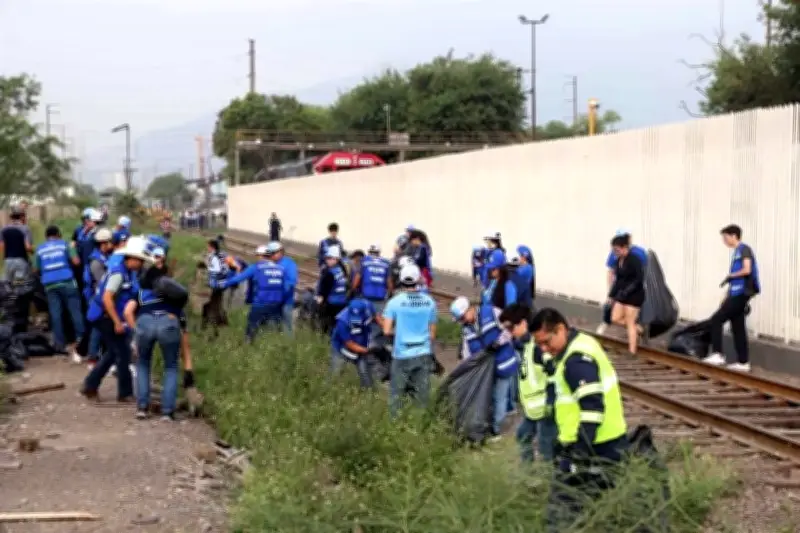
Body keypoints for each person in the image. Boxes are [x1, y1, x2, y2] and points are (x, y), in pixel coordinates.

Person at [528, 308, 628, 531]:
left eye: (546, 342)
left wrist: (579, 455)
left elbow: (592, 409)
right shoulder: (581, 342)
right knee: (599, 511)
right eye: (539, 345)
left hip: (595, 447)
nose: (545, 349)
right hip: (607, 443)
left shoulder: (576, 362)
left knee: (561, 514)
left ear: (561, 329)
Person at [82, 236, 151, 401]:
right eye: (140, 260)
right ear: (131, 258)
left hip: (108, 315)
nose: (141, 264)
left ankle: (90, 385)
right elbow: (107, 298)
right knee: (123, 353)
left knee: (114, 352)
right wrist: (117, 322)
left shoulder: (128, 273)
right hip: (104, 316)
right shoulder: (119, 274)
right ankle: (125, 393)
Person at [124, 251, 187, 420]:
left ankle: (142, 408)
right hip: (168, 323)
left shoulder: (141, 293)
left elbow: (127, 312)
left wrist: (135, 331)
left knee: (143, 364)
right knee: (171, 367)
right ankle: (167, 411)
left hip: (144, 323)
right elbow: (182, 322)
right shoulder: (173, 295)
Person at [449, 296, 519, 440]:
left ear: (470, 309)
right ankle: (493, 421)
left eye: (463, 318)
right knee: (491, 396)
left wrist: (498, 342)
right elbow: (467, 351)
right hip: (486, 370)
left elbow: (511, 328)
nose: (463, 322)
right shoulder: (466, 329)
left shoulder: (492, 312)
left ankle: (496, 430)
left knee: (500, 397)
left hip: (504, 362)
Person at [499, 304, 556, 463]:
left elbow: (554, 373)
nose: (510, 334)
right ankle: (529, 475)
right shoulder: (524, 346)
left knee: (546, 448)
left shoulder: (537, 347)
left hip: (545, 408)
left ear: (523, 323)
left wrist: (551, 403)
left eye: (511, 328)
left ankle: (549, 481)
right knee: (523, 436)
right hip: (533, 409)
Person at [383, 264, 438, 417]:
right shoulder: (429, 302)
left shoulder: (394, 302)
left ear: (401, 279)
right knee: (422, 397)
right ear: (418, 280)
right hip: (423, 352)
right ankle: (420, 425)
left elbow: (386, 330)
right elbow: (432, 334)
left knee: (396, 395)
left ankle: (395, 425)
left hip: (401, 353)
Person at [704, 224, 761, 372]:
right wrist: (727, 294)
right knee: (738, 327)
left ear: (734, 236)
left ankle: (718, 354)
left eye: (725, 237)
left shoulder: (744, 249)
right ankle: (743, 362)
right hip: (735, 293)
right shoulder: (737, 252)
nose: (724, 240)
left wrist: (731, 275)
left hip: (741, 294)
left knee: (716, 320)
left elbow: (747, 269)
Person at [217, 244, 290, 341]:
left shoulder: (256, 267)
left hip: (260, 303)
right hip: (277, 305)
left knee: (252, 330)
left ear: (260, 255)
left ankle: (248, 345)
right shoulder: (281, 269)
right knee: (274, 332)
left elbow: (238, 278)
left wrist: (220, 284)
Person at [34, 225, 84, 360]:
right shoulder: (65, 245)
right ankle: (81, 340)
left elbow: (36, 269)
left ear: (46, 236)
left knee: (56, 314)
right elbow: (76, 261)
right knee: (75, 311)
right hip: (67, 282)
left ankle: (59, 345)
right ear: (58, 234)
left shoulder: (40, 249)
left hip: (50, 285)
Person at [596, 228, 648, 335]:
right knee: (614, 315)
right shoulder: (615, 253)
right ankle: (635, 329)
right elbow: (611, 272)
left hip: (633, 290)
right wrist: (611, 292)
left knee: (630, 317)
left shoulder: (638, 253)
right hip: (620, 288)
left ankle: (634, 334)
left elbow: (641, 274)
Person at [607, 233, 646, 354]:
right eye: (614, 250)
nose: (615, 252)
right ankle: (638, 329)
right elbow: (618, 280)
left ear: (625, 248)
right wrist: (611, 295)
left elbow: (639, 279)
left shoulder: (634, 260)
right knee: (614, 318)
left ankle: (632, 351)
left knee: (629, 322)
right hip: (621, 295)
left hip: (634, 295)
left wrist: (627, 291)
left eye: (617, 250)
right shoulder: (619, 260)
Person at [81, 228, 115, 368]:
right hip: (96, 298)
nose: (111, 245)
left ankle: (100, 355)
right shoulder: (96, 262)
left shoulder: (103, 257)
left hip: (100, 297)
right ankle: (92, 357)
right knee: (97, 329)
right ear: (103, 244)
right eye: (109, 242)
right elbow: (102, 283)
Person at [330, 297, 379, 389]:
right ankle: (330, 391)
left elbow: (376, 317)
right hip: (341, 349)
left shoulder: (368, 307)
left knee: (365, 374)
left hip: (361, 343)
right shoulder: (342, 322)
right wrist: (368, 350)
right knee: (335, 373)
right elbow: (349, 344)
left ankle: (368, 392)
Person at [316, 247, 350, 334]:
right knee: (337, 324)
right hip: (341, 302)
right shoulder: (341, 269)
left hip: (331, 303)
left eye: (330, 258)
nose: (328, 260)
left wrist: (320, 302)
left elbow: (323, 290)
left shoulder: (328, 272)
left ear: (337, 259)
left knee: (326, 325)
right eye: (327, 258)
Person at [268, 242, 297, 333]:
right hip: (272, 300)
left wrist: (281, 294)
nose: (272, 256)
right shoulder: (268, 264)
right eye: (270, 253)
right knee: (272, 324)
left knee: (287, 325)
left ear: (281, 251)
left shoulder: (289, 264)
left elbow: (291, 281)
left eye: (274, 253)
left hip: (286, 300)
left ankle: (288, 343)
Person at [0, 206, 33, 283]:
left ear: (11, 217)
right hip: (21, 261)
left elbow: (1, 246)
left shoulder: (3, 229)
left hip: (8, 261)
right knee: (22, 285)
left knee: (8, 285)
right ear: (21, 217)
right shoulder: (25, 228)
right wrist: (32, 251)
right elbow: (28, 247)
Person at [360, 244, 392, 316]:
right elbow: (389, 280)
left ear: (369, 251)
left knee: (366, 317)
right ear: (379, 252)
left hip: (366, 294)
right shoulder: (386, 262)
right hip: (380, 296)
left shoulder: (364, 261)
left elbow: (358, 277)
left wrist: (353, 289)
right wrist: (390, 293)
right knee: (379, 318)